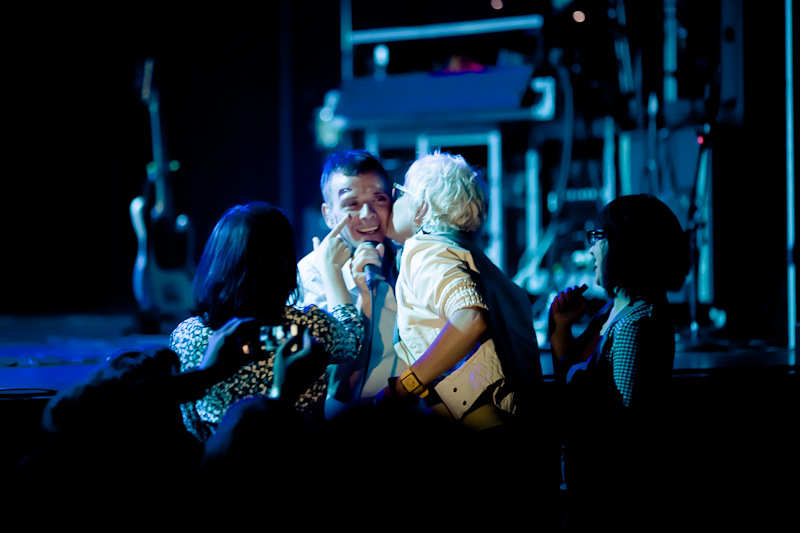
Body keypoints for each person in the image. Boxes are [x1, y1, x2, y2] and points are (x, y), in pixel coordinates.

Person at [548, 194, 690, 531]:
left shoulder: (636, 324)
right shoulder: (611, 312)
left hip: (613, 499)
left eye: (599, 237)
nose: (590, 250)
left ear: (628, 246)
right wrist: (562, 327)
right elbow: (571, 384)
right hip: (587, 485)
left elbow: (626, 428)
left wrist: (557, 415)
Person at [170, 201, 363, 441]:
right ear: (284, 262)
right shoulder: (308, 328)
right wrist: (331, 269)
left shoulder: (187, 336)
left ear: (217, 259)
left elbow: (190, 423)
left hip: (218, 470)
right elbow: (352, 341)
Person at [377, 151, 541, 432]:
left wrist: (406, 387)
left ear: (421, 207)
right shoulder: (479, 262)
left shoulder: (426, 251)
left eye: (400, 193)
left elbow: (470, 318)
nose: (394, 201)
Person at [298, 150, 406, 417]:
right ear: (328, 215)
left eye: (378, 199)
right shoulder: (311, 275)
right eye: (352, 204)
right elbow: (338, 382)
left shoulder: (406, 258)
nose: (368, 214)